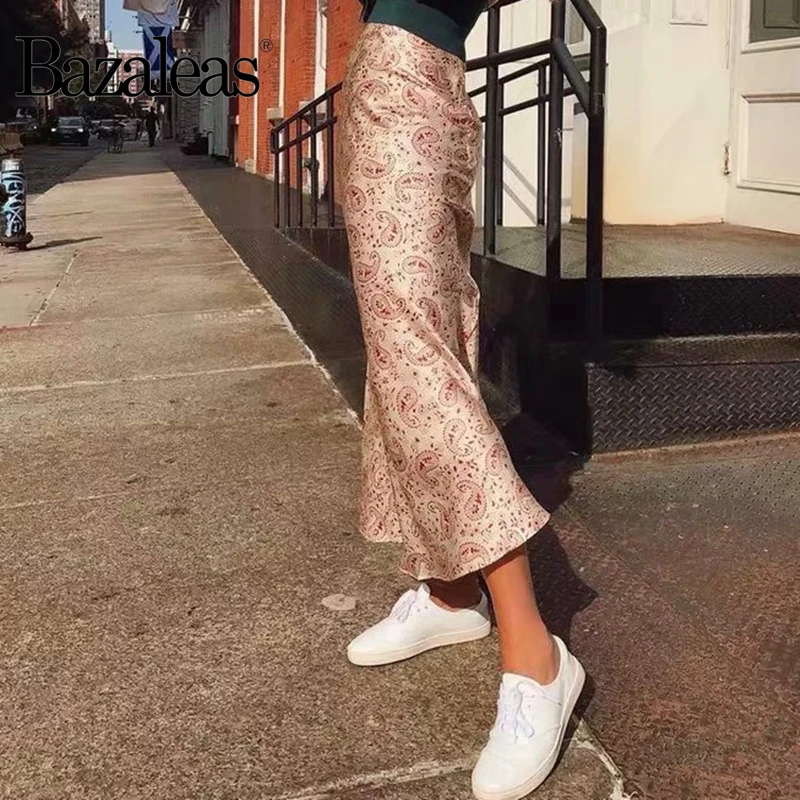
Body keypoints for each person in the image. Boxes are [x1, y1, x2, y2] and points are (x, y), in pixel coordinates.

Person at [336, 3, 585, 799]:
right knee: (417, 341)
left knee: (414, 353)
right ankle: (451, 589)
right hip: (417, 77)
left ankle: (537, 657)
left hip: (404, 80)